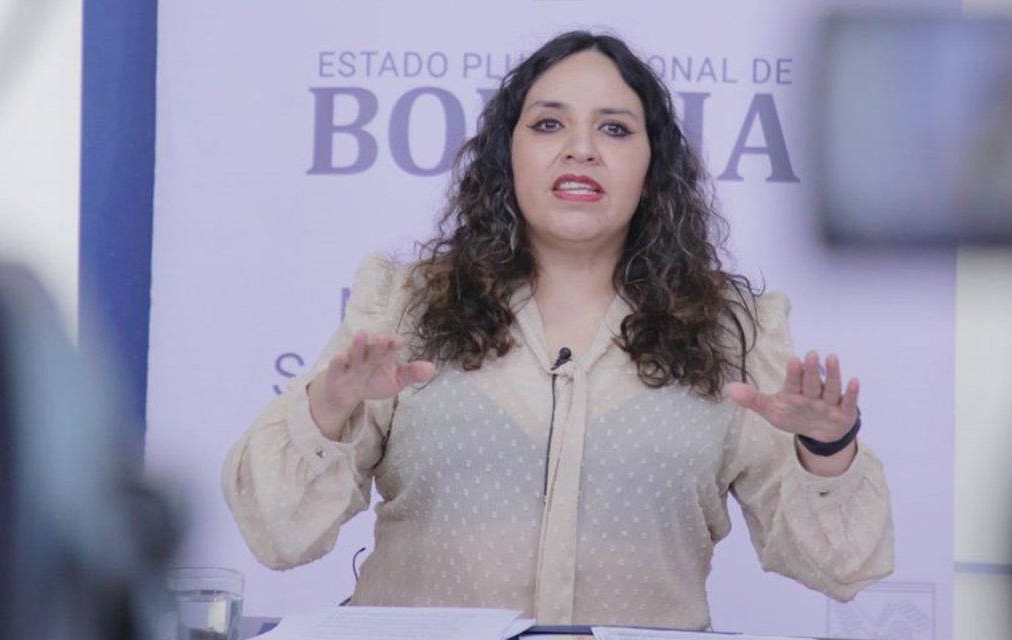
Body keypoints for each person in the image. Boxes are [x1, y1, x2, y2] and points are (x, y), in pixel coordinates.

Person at [222, 31, 893, 630]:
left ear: (653, 168)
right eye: (548, 124)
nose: (581, 149)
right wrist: (330, 408)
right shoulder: (407, 303)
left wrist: (826, 446)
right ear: (505, 158)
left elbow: (841, 567)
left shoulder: (732, 332)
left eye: (615, 129)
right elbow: (279, 536)